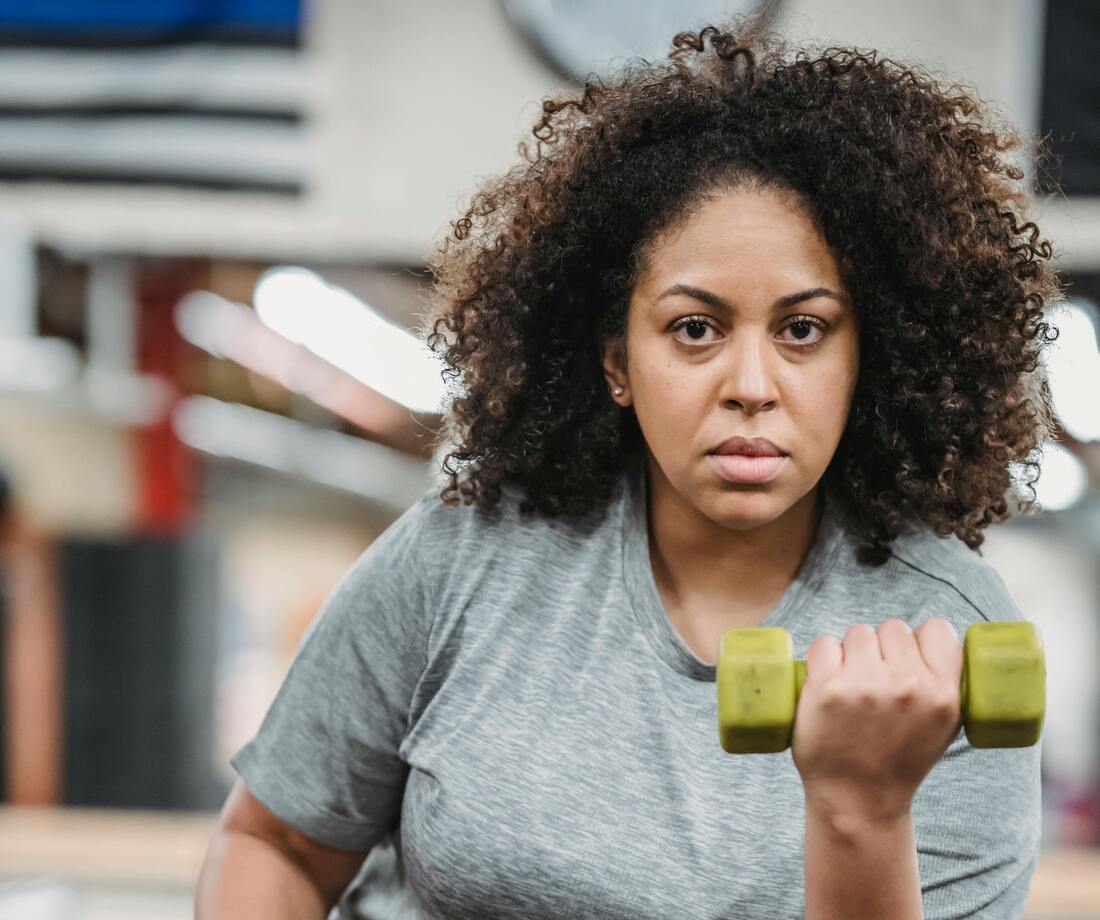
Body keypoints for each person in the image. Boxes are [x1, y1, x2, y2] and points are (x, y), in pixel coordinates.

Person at [196, 18, 1063, 920]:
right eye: (696, 329)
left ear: (866, 357)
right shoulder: (461, 555)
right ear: (616, 360)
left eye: (803, 329)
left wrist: (861, 809)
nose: (751, 386)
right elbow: (278, 842)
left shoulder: (951, 638)